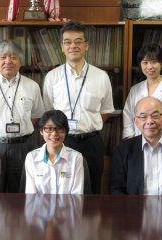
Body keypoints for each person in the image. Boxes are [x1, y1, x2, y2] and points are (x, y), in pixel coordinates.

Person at [42, 21, 114, 194]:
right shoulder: (52, 77)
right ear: (62, 47)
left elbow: (105, 111)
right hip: (62, 141)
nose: (73, 45)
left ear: (86, 45)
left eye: (78, 41)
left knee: (93, 188)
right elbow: (48, 112)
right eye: (68, 42)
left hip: (92, 142)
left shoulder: (101, 76)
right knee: (62, 188)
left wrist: (86, 126)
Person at [0, 40, 45, 192]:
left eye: (13, 57)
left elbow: (36, 117)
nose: (8, 61)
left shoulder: (32, 86)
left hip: (23, 146)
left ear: (20, 62)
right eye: (3, 57)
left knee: (20, 190)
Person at [123, 43, 162, 139]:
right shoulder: (134, 90)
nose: (150, 67)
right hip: (137, 143)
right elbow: (128, 117)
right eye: (145, 62)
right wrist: (130, 141)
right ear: (140, 64)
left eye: (154, 62)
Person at [25, 110, 84, 194]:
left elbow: (77, 196)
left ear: (66, 132)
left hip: (66, 207)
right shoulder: (31, 157)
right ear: (41, 131)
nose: (54, 133)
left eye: (59, 129)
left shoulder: (76, 158)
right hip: (39, 207)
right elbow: (30, 195)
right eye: (49, 129)